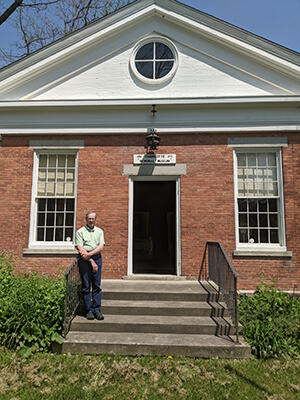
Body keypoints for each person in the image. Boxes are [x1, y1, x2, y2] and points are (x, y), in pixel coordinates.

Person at [75, 211, 105, 320]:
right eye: (89, 219)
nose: (91, 221)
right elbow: (80, 248)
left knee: (96, 285)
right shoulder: (80, 232)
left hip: (96, 257)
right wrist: (91, 261)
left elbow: (101, 247)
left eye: (93, 219)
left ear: (95, 219)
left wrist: (90, 255)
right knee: (86, 286)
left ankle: (96, 310)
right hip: (84, 260)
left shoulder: (99, 231)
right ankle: (89, 310)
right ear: (86, 219)